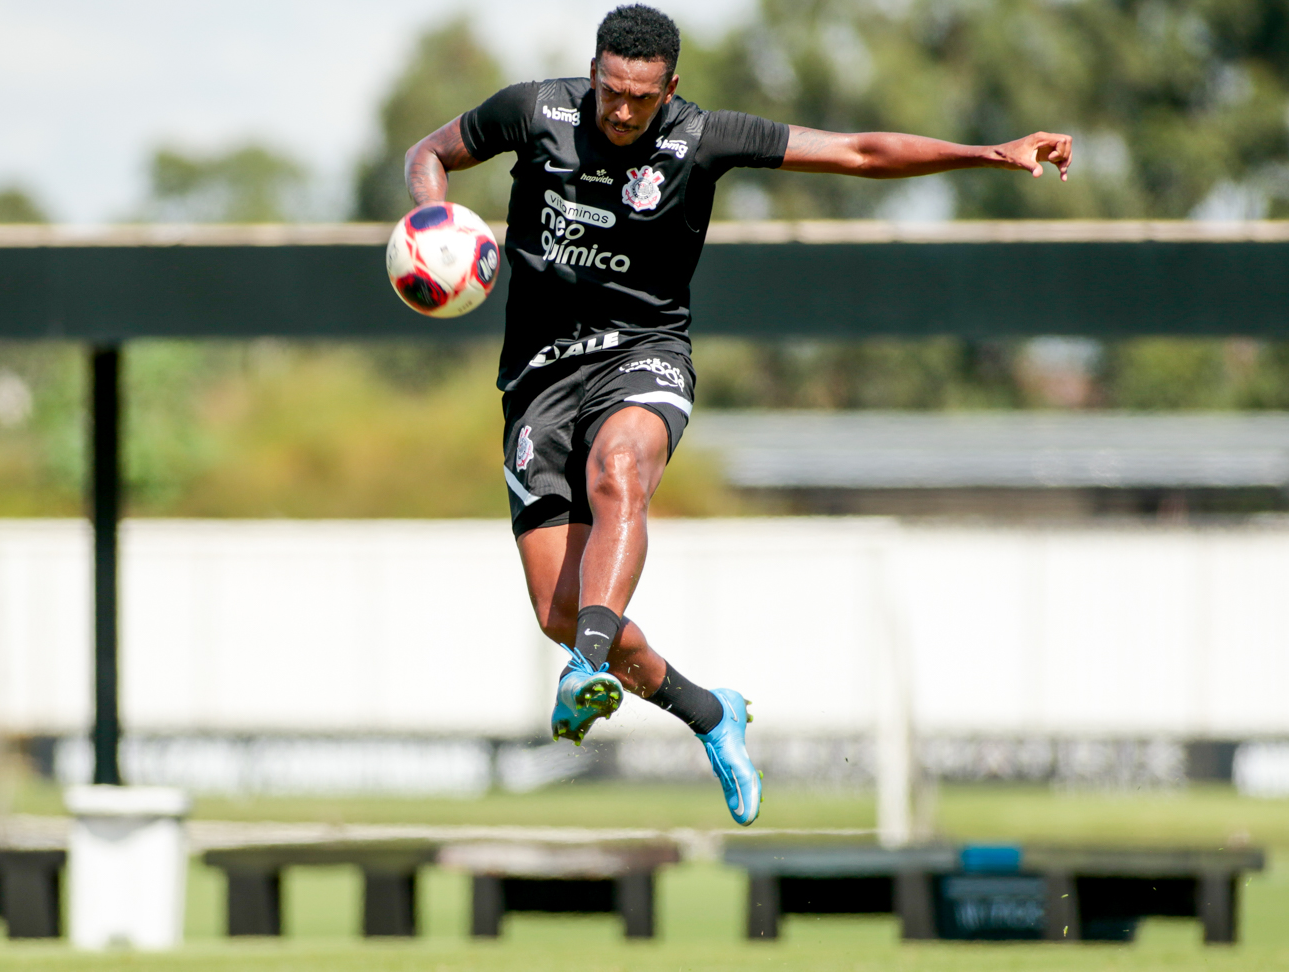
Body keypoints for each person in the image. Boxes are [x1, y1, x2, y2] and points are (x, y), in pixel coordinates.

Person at [403, 4, 1071, 826]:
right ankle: (711, 715)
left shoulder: (705, 136)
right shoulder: (532, 110)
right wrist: (428, 219)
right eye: (609, 91)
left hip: (642, 354)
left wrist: (987, 154)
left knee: (620, 472)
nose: (619, 111)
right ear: (594, 73)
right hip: (538, 382)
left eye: (639, 100)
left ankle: (586, 672)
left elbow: (859, 151)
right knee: (559, 611)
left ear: (669, 90)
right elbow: (428, 153)